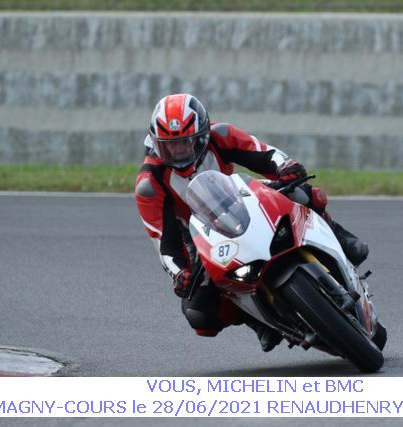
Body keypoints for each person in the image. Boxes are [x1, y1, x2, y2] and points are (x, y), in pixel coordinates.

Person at [135, 93, 368, 352]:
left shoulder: (221, 135)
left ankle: (338, 236)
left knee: (301, 192)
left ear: (202, 136)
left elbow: (264, 153)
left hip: (241, 199)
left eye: (185, 143)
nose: (178, 152)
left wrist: (286, 166)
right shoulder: (149, 184)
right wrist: (179, 273)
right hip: (197, 233)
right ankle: (256, 320)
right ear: (156, 144)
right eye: (169, 146)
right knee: (198, 312)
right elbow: (164, 241)